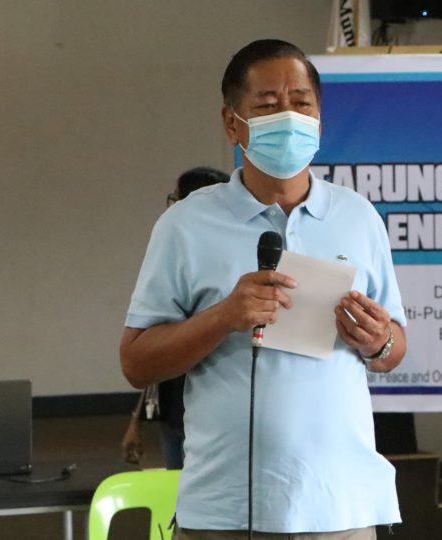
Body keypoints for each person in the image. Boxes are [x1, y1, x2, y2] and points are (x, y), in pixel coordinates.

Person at [120, 39, 407, 540]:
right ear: (233, 124)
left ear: (320, 116)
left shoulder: (358, 217)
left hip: (342, 506)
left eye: (302, 103)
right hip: (226, 508)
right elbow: (136, 362)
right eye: (269, 106)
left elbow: (394, 349)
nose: (290, 117)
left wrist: (377, 339)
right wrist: (222, 317)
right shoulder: (186, 224)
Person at [121, 166, 230, 469]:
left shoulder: (228, 274)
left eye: (176, 201)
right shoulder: (173, 262)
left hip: (213, 420)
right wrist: (136, 422)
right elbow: (148, 354)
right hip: (172, 412)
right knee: (177, 503)